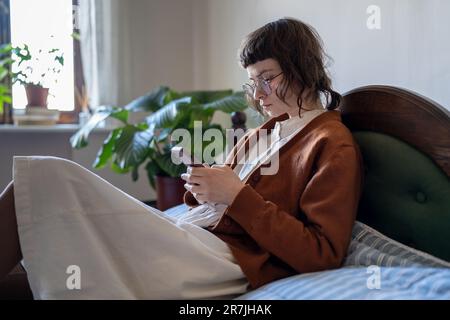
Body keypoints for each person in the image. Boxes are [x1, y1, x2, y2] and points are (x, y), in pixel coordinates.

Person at [0, 18, 363, 299]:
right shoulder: (261, 133)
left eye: (267, 78)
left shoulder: (332, 143)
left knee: (52, 177)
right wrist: (203, 185)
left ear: (302, 68)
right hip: (190, 232)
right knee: (55, 219)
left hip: (222, 258)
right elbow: (219, 198)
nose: (258, 94)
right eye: (252, 83)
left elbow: (322, 253)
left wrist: (236, 196)